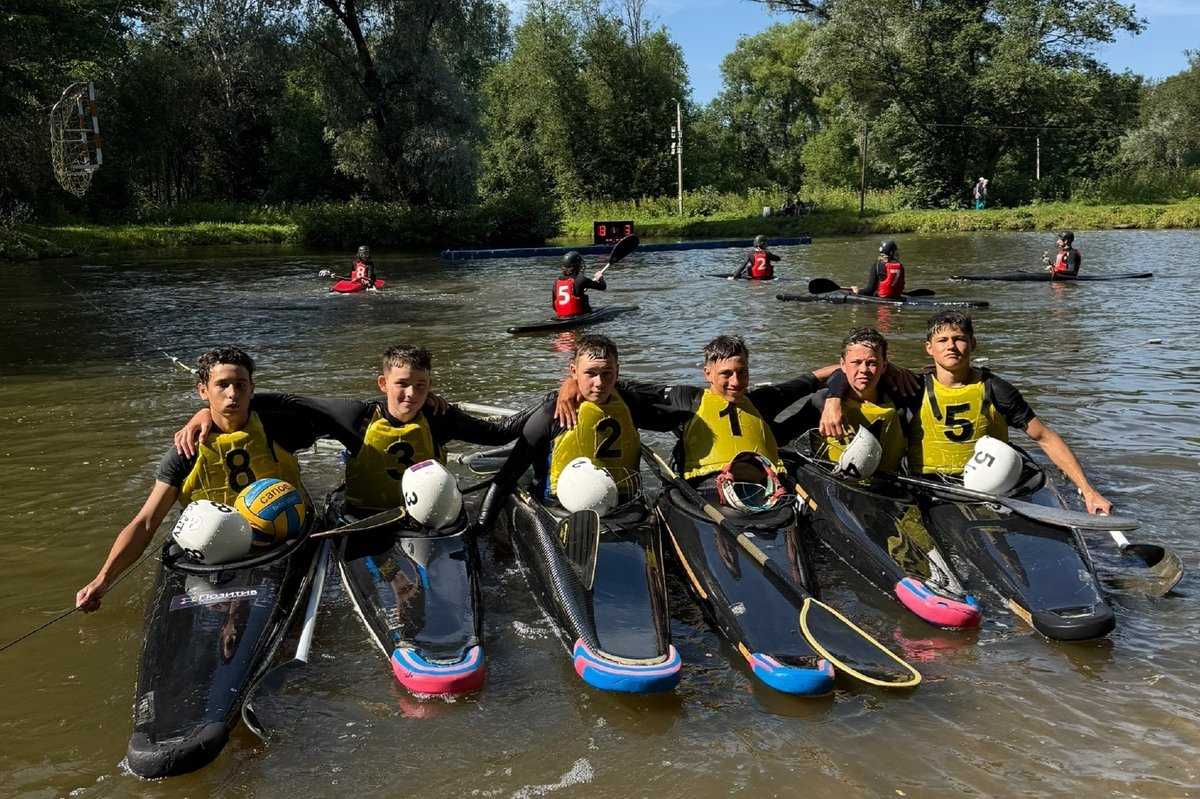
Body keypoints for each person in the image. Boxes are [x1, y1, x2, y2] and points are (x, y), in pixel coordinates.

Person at [75, 347, 318, 612]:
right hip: (215, 553)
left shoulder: (280, 427)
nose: (232, 393)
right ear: (203, 391)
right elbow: (146, 522)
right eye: (222, 385)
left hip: (283, 543)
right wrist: (103, 579)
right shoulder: (186, 451)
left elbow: (327, 413)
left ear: (252, 388)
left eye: (240, 384)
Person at [173, 345, 530, 514]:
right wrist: (205, 412)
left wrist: (558, 395)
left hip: (428, 517)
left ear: (430, 385)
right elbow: (290, 402)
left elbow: (500, 434)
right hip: (365, 515)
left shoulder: (440, 416)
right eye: (402, 384)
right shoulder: (354, 416)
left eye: (421, 386)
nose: (411, 394)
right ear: (383, 383)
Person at [820, 311, 1113, 513]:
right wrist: (833, 399)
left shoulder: (996, 388)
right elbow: (850, 370)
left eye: (959, 339)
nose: (952, 346)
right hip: (929, 488)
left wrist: (1088, 490)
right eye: (943, 341)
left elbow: (1044, 437)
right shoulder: (911, 387)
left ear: (972, 344)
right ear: (929, 349)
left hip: (990, 490)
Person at [552, 335, 853, 487]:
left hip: (764, 486)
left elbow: (829, 373)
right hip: (709, 486)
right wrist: (569, 384)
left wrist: (835, 399)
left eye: (742, 372)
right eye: (726, 374)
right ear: (708, 373)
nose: (736, 382)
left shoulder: (763, 398)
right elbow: (615, 383)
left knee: (818, 400)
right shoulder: (686, 399)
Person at [476, 335, 668, 528]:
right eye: (590, 373)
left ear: (617, 372)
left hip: (622, 506)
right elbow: (508, 475)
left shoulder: (632, 404)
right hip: (558, 509)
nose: (599, 383)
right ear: (574, 371)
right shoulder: (551, 413)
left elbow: (677, 409)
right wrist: (482, 526)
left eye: (607, 373)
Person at [553, 251, 607, 318]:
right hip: (580, 315)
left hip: (561, 317)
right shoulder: (581, 279)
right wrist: (600, 277)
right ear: (576, 265)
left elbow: (554, 306)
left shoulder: (556, 282)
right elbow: (603, 287)